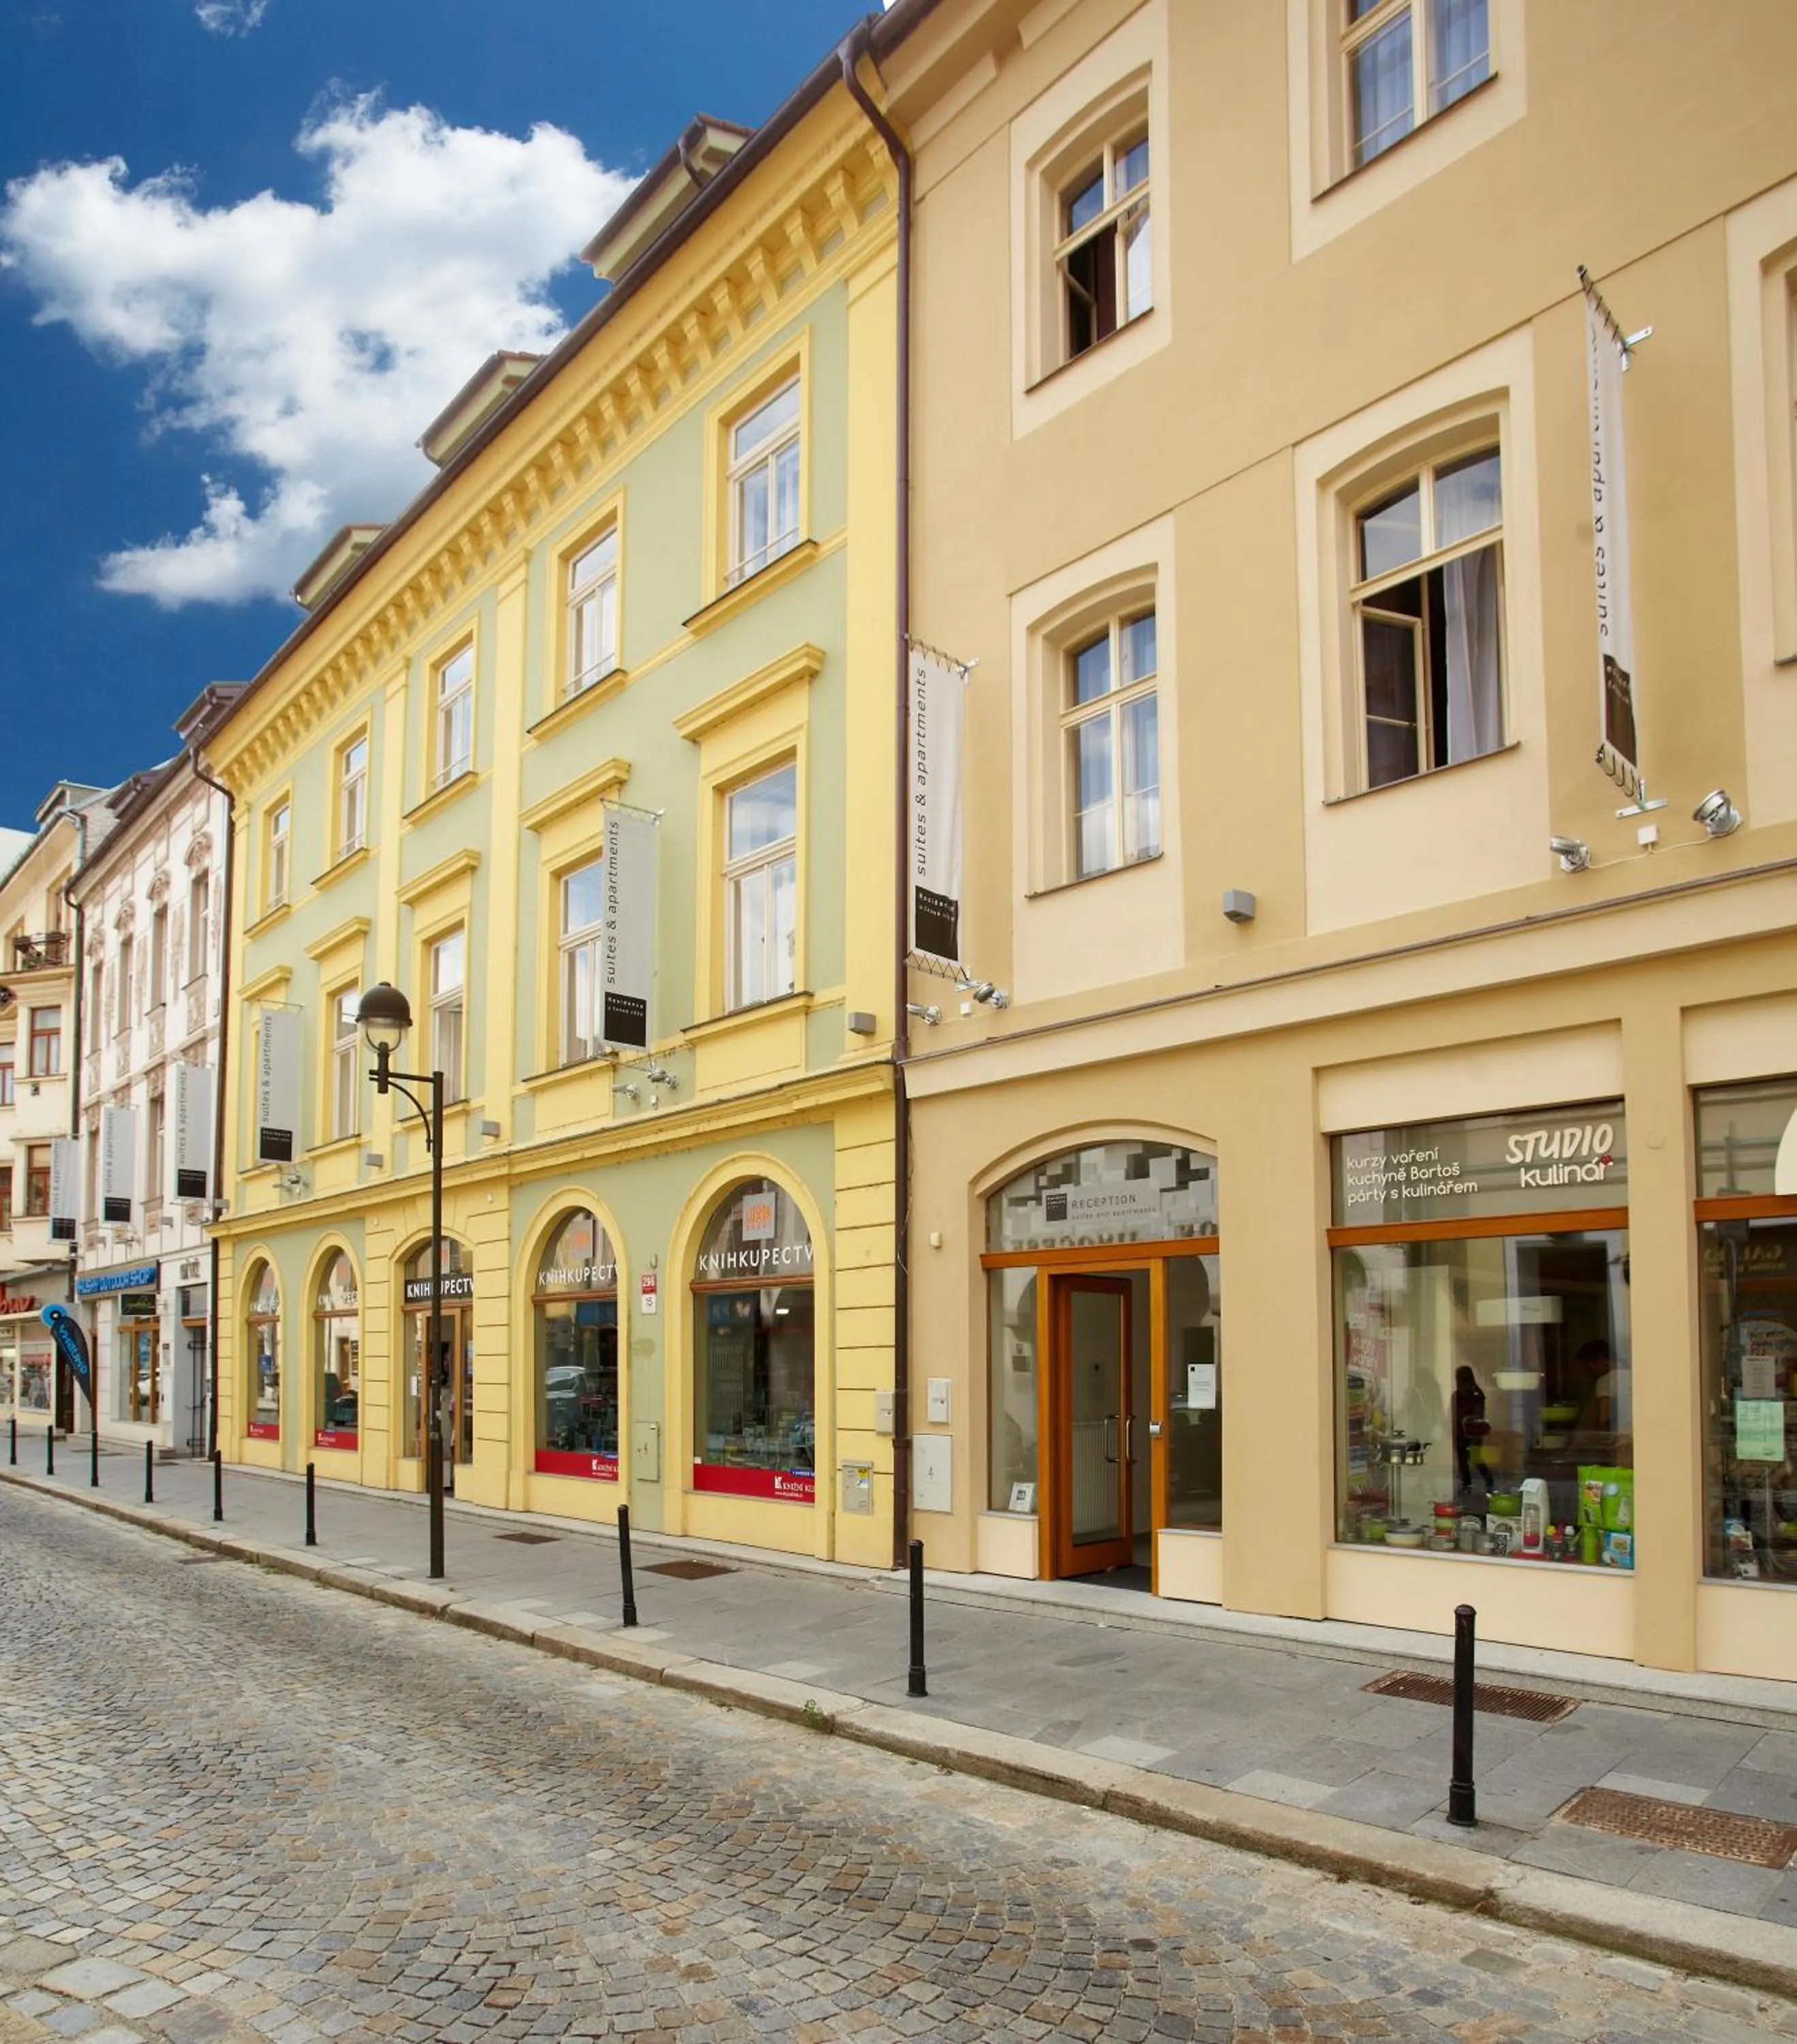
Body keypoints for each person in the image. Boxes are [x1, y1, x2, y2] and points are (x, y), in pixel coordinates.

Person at [1452, 1363, 1488, 1493]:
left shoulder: (1476, 1394)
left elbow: (1478, 1414)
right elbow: (1454, 1414)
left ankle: (1488, 1479)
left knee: (1474, 1457)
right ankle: (1466, 1483)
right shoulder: (1457, 1395)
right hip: (1461, 1432)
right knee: (1462, 1459)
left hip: (1473, 1432)